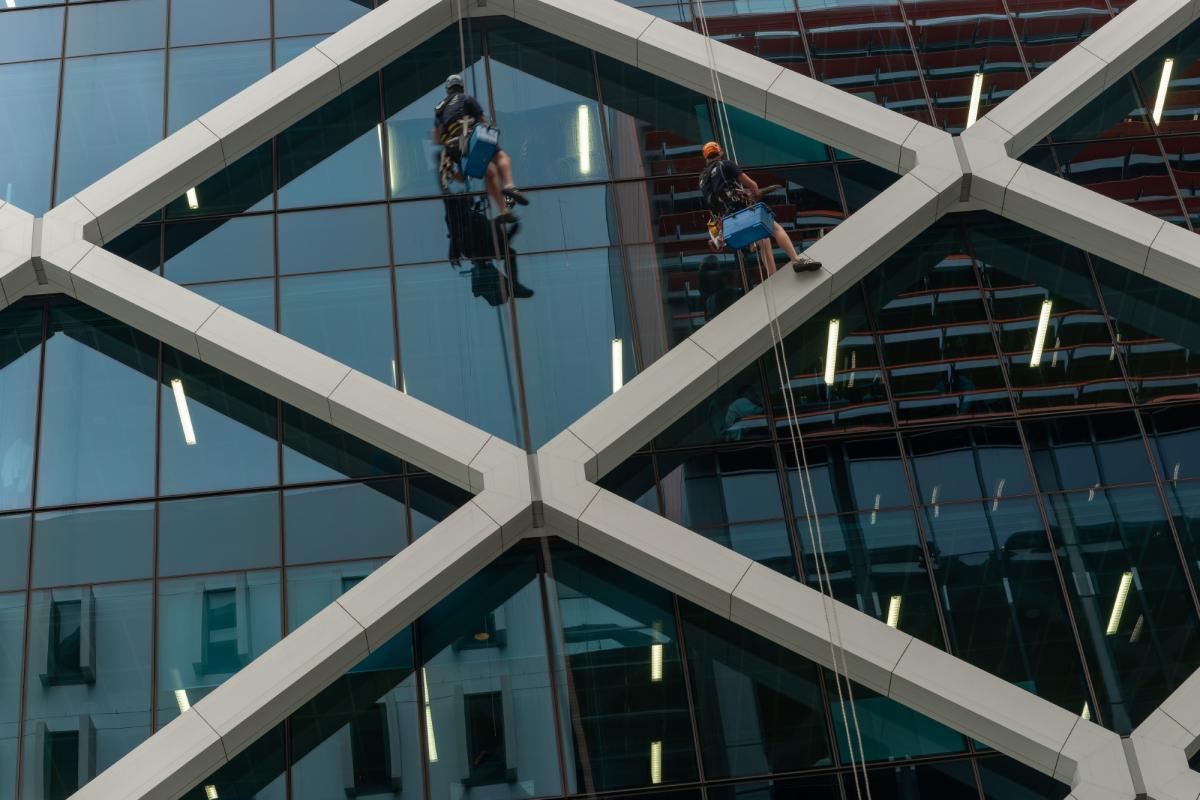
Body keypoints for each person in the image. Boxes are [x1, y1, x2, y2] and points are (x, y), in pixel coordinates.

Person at [699, 141, 821, 275]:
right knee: (775, 228)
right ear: (720, 152)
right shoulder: (725, 164)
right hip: (741, 210)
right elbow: (752, 185)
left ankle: (772, 276)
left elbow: (715, 200)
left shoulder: (702, 180)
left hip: (728, 222)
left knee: (764, 240)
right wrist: (755, 193)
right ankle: (796, 260)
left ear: (706, 158)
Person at [434, 74, 528, 223]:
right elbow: (482, 122)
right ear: (461, 87)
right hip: (469, 139)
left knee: (490, 173)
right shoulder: (467, 99)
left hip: (454, 149)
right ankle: (510, 186)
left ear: (448, 90)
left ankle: (504, 211)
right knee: (501, 157)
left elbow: (437, 138)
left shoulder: (440, 108)